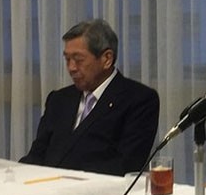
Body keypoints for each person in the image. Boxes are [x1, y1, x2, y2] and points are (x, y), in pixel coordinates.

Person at [20, 19, 160, 176]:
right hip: (44, 192)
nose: (71, 68)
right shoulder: (59, 99)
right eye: (67, 60)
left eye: (78, 60)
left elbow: (126, 165)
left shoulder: (138, 100)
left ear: (107, 59)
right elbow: (37, 155)